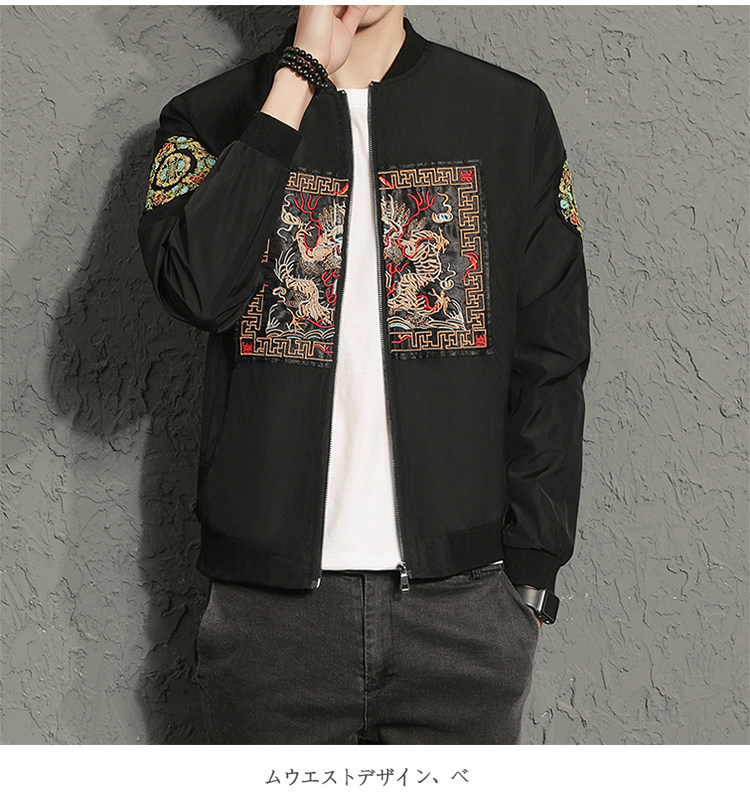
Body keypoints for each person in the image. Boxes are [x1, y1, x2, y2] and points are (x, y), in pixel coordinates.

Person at [137, 4, 591, 744]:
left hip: (465, 614)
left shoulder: (508, 117)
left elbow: (552, 357)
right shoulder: (208, 120)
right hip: (267, 619)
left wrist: (532, 572)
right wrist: (296, 82)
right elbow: (197, 290)